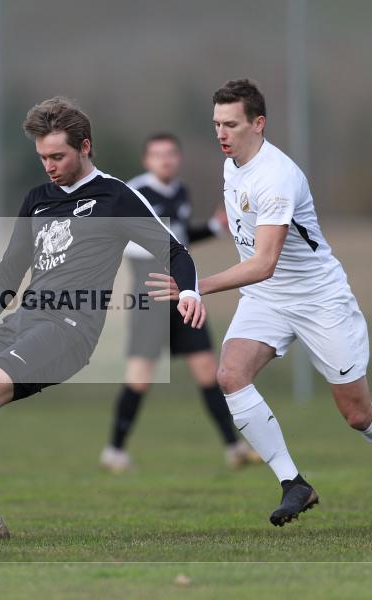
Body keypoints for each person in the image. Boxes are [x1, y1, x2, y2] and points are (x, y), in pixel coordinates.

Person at [0, 96, 205, 544]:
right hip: (23, 322)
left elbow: (174, 249)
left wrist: (188, 290)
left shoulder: (114, 196)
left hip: (69, 330)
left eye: (58, 156)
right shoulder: (37, 199)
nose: (49, 166)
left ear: (85, 146)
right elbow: (8, 272)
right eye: (42, 158)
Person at [148, 79, 372, 527]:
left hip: (318, 300)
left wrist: (196, 285)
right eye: (216, 124)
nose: (221, 133)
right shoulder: (233, 164)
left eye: (231, 124)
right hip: (266, 299)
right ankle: (294, 483)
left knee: (358, 415)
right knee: (230, 375)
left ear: (259, 124)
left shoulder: (277, 177)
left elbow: (264, 263)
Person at [100, 132, 260, 472]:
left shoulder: (180, 192)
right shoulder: (133, 193)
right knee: (140, 376)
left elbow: (178, 239)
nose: (165, 159)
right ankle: (114, 451)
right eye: (157, 154)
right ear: (146, 160)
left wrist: (213, 229)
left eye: (171, 153)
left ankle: (234, 448)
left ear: (179, 158)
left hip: (183, 291)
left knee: (208, 371)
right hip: (150, 291)